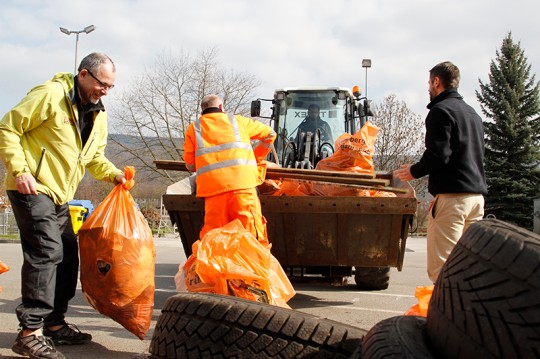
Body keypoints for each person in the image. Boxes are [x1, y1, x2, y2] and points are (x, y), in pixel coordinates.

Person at [0, 52, 126, 359]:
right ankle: (29, 332)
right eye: (102, 84)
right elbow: (7, 129)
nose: (105, 91)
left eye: (110, 87)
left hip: (59, 194)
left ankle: (54, 324)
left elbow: (94, 157)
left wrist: (115, 175)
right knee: (47, 251)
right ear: (83, 75)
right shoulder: (50, 95)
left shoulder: (98, 113)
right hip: (31, 187)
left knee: (69, 252)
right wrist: (21, 171)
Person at [394, 61, 487, 284]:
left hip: (452, 201)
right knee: (468, 265)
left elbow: (439, 155)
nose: (428, 87)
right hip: (476, 200)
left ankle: (448, 316)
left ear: (437, 81)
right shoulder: (473, 114)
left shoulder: (440, 111)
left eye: (429, 82)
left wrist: (413, 171)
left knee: (443, 269)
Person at [183, 94, 276, 245]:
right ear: (221, 108)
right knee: (251, 239)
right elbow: (270, 134)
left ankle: (219, 269)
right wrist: (255, 157)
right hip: (242, 188)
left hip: (213, 192)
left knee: (215, 242)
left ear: (202, 111)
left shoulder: (194, 128)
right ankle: (252, 268)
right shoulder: (238, 121)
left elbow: (190, 165)